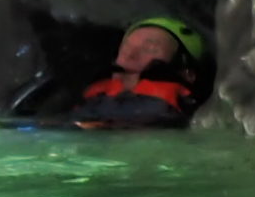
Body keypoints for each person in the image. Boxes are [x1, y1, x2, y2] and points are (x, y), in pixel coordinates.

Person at [73, 15, 208, 129]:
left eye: (149, 49)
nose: (130, 55)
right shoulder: (91, 98)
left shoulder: (195, 119)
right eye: (125, 49)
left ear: (186, 74)